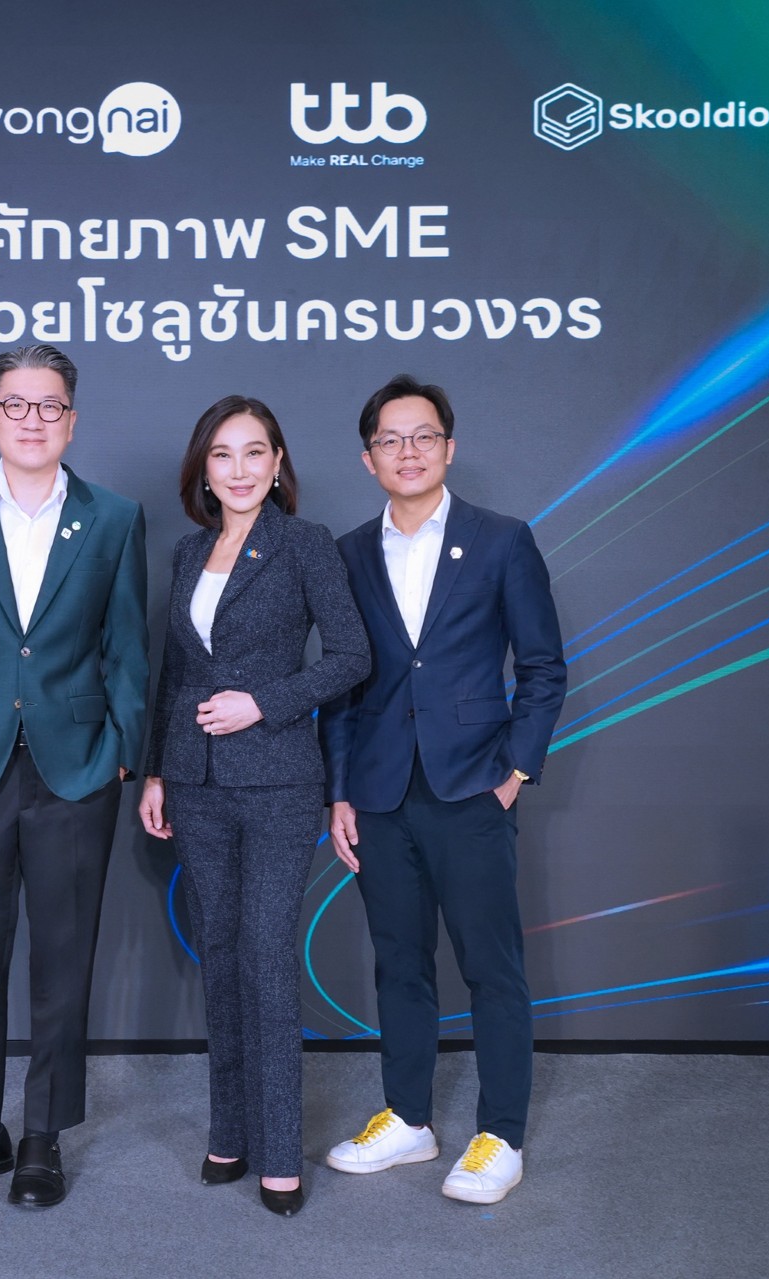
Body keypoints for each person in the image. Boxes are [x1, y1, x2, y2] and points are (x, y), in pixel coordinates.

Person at [0, 344, 147, 1209]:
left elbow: (127, 647)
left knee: (63, 958)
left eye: (49, 406)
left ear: (71, 421)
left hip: (75, 768)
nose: (32, 420)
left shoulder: (114, 517)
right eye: (16, 404)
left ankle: (43, 1132)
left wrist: (123, 748)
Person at [318, 373, 566, 1205]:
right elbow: (343, 684)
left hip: (473, 788)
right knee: (399, 962)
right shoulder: (349, 553)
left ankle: (502, 1134)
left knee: (492, 967)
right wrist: (340, 791)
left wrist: (515, 771)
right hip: (380, 793)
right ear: (369, 458)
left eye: (423, 435)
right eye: (390, 439)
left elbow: (543, 667)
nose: (409, 451)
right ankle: (409, 1117)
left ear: (449, 448)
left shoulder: (502, 540)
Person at [138, 395, 370, 1217]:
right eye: (222, 455)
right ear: (204, 470)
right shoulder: (187, 551)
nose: (238, 469)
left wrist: (263, 702)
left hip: (277, 781)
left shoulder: (305, 544)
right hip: (194, 783)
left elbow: (351, 655)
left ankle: (279, 1150)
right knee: (222, 954)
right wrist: (156, 771)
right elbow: (175, 671)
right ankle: (228, 1131)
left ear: (277, 464)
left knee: (267, 957)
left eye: (254, 452)